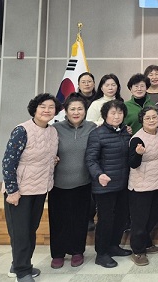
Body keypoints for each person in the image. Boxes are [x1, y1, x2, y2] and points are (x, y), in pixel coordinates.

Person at [3, 93, 60, 282]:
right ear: (34, 109)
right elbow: (8, 162)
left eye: (51, 107)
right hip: (20, 190)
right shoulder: (22, 130)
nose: (47, 110)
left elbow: (47, 155)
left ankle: (20, 264)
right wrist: (12, 190)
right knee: (20, 232)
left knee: (30, 230)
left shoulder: (52, 131)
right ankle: (22, 272)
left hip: (40, 188)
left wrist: (53, 161)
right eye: (43, 106)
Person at [49, 93, 94, 269]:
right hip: (58, 184)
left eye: (80, 109)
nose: (76, 112)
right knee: (58, 220)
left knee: (80, 219)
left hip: (83, 183)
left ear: (85, 111)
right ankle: (58, 253)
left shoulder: (91, 128)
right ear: (66, 111)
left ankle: (77, 251)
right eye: (72, 109)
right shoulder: (55, 129)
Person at [85, 99, 132, 268]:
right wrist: (99, 175)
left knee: (121, 217)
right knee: (105, 219)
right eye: (113, 113)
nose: (117, 116)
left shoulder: (125, 133)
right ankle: (102, 253)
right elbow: (90, 159)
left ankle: (114, 246)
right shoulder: (97, 134)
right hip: (104, 185)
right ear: (105, 115)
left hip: (123, 184)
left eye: (120, 113)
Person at [128, 105, 158, 266]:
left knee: (154, 216)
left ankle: (147, 242)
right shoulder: (137, 138)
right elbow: (132, 163)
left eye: (154, 117)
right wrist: (138, 154)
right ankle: (137, 251)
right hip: (141, 186)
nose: (151, 120)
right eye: (147, 118)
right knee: (140, 220)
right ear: (141, 120)